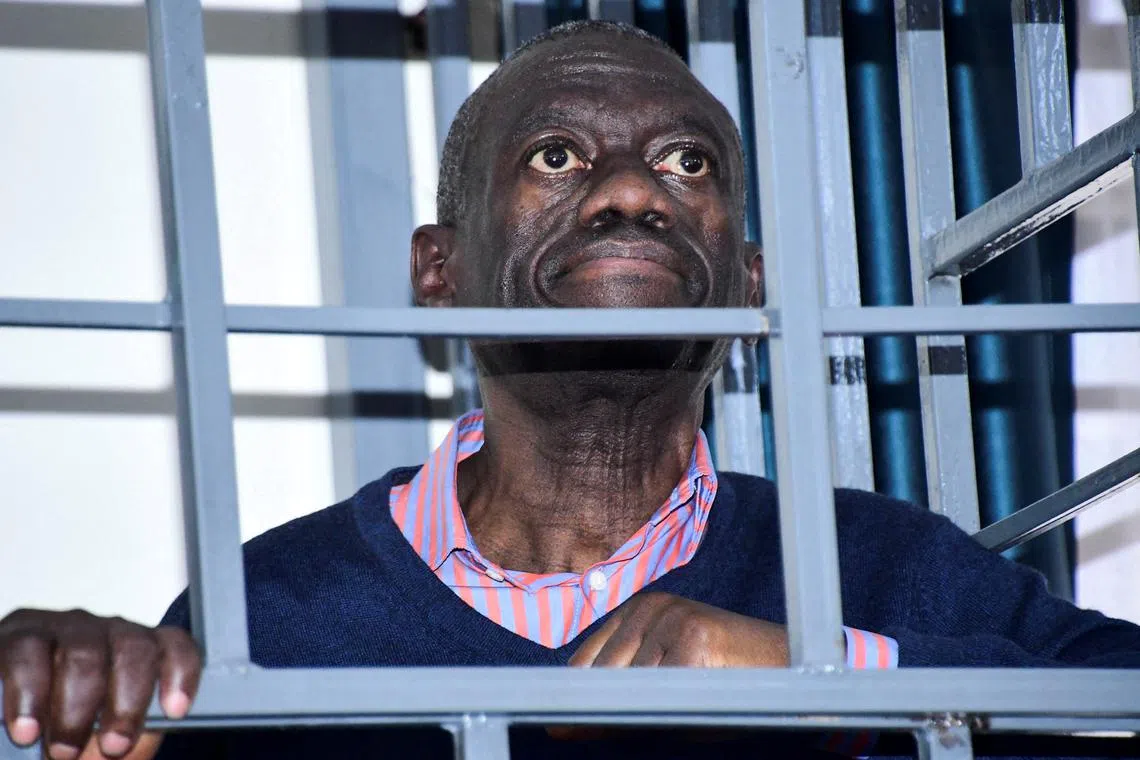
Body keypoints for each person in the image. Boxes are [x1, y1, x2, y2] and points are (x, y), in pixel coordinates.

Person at [2, 19, 1139, 760]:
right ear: (437, 276)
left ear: (747, 288)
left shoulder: (878, 567)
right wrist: (57, 702)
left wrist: (834, 674)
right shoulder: (267, 611)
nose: (634, 190)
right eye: (557, 156)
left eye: (688, 163)